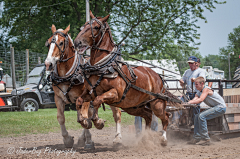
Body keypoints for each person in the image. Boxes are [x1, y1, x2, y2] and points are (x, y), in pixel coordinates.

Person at [186, 77, 226, 145]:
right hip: (216, 107)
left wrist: (188, 103)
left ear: (202, 83)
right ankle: (197, 138)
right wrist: (187, 103)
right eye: (195, 84)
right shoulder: (199, 91)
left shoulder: (206, 89)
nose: (195, 86)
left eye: (196, 84)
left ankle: (206, 139)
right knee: (196, 117)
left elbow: (200, 99)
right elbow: (195, 99)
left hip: (220, 107)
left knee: (201, 116)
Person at [179, 56, 206, 127]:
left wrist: (195, 79)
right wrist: (181, 82)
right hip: (188, 93)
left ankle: (195, 124)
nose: (190, 65)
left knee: (195, 108)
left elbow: (202, 80)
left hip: (197, 93)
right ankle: (179, 122)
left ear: (196, 63)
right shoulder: (187, 72)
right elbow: (183, 83)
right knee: (178, 103)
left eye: (192, 63)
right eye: (189, 63)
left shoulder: (201, 71)